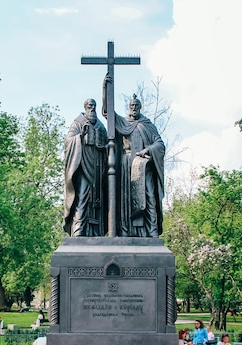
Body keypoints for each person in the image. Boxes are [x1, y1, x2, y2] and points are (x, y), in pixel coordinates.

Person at [103, 75, 165, 237]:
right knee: (126, 199)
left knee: (149, 196)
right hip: (126, 165)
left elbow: (159, 144)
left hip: (144, 167)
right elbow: (108, 113)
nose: (134, 108)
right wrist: (105, 89)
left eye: (136, 105)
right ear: (128, 107)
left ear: (140, 106)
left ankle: (151, 231)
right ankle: (125, 231)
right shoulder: (122, 122)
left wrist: (148, 150)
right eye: (131, 105)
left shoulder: (147, 125)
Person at [63, 98, 108, 237]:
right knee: (82, 196)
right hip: (82, 165)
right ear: (85, 107)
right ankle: (78, 230)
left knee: (97, 199)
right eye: (90, 106)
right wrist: (80, 137)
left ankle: (96, 231)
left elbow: (106, 145)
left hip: (98, 167)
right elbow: (68, 141)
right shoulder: (77, 123)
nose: (92, 109)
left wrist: (105, 148)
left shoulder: (101, 127)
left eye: (94, 106)